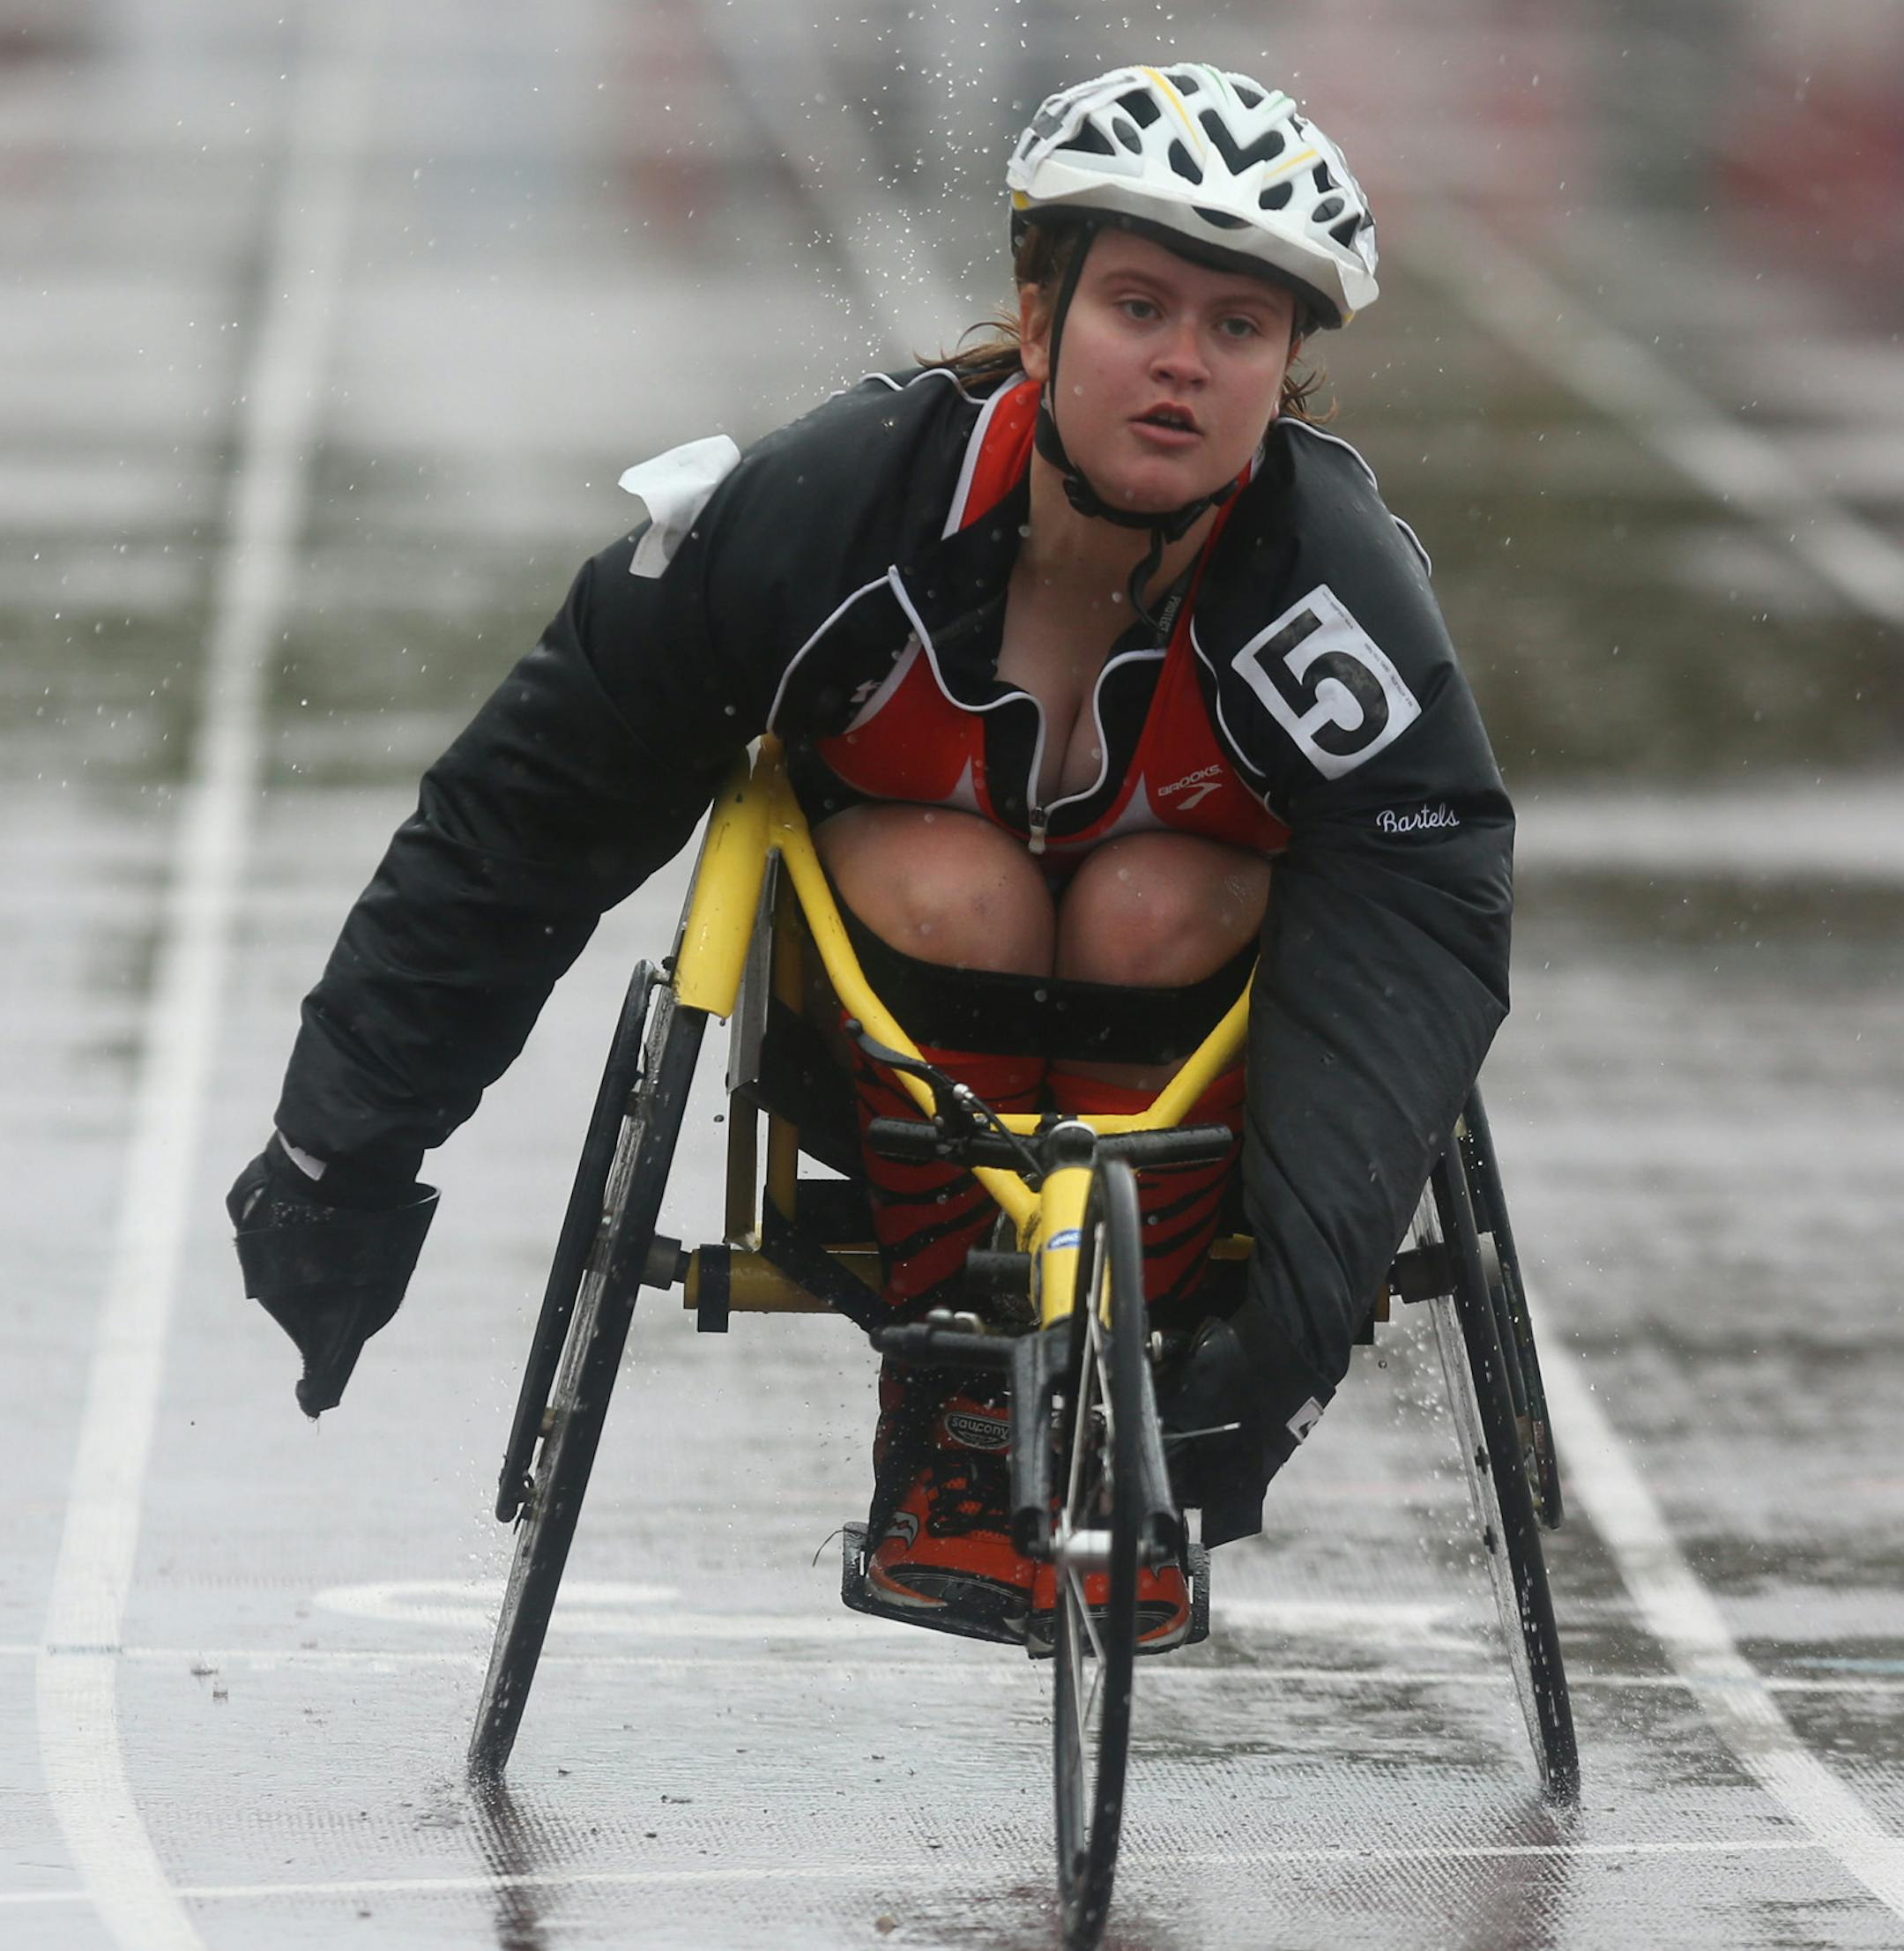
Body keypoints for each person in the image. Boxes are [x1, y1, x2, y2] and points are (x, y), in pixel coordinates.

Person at [231, 63, 1513, 1654]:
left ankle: (1131, 1404)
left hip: (1200, 1094)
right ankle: (957, 1400)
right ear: (1038, 324)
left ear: (1287, 371)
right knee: (953, 870)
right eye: (1137, 307)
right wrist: (340, 1153)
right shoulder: (832, 510)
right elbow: (526, 811)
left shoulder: (1334, 590)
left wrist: (1295, 1335)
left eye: (1238, 328)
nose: (1182, 363)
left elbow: (1424, 912)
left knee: (1154, 887)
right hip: (874, 1051)